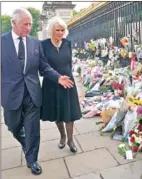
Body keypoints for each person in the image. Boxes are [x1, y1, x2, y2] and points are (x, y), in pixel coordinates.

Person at [1, 8, 74, 175]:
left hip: (32, 93)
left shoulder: (35, 43)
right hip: (11, 94)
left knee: (33, 128)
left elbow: (43, 66)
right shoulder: (2, 42)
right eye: (24, 24)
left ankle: (32, 159)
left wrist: (57, 77)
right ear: (13, 23)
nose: (28, 28)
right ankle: (28, 144)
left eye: (30, 24)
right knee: (12, 126)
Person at [40, 16, 82, 153]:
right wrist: (57, 77)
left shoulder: (67, 43)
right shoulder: (44, 45)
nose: (60, 32)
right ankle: (62, 136)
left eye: (62, 30)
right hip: (52, 84)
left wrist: (68, 76)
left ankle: (70, 139)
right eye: (57, 30)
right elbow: (42, 66)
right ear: (51, 30)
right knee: (58, 113)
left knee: (69, 113)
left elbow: (69, 63)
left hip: (68, 82)